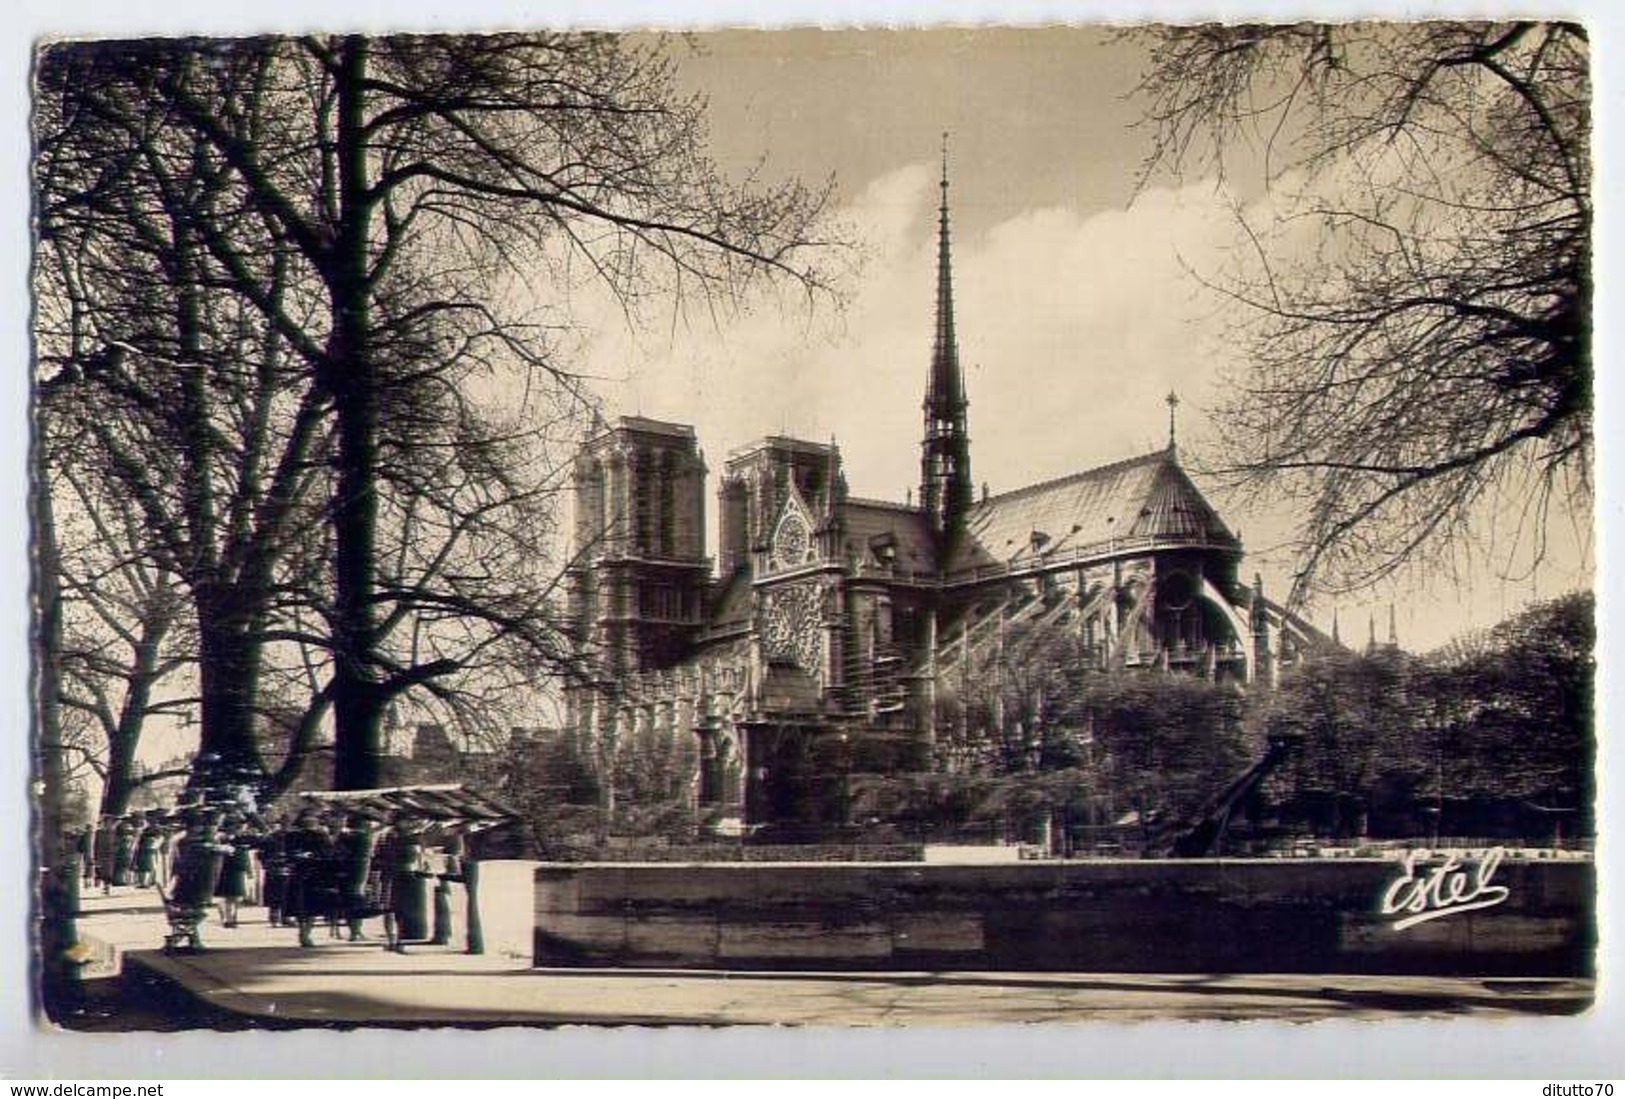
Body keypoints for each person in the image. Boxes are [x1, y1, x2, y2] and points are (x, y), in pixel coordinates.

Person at [283, 811, 337, 948]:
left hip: (315, 874)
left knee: (312, 907)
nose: (310, 822)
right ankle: (304, 933)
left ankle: (306, 933)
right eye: (307, 819)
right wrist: (298, 856)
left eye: (312, 819)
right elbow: (288, 853)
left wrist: (313, 856)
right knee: (301, 907)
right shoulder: (293, 836)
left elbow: (329, 854)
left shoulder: (321, 835)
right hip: (300, 874)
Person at [214, 815, 255, 928]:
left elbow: (244, 854)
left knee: (236, 896)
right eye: (232, 824)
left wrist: (248, 869)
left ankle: (233, 917)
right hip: (223, 869)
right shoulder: (219, 837)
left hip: (237, 869)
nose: (235, 827)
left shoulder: (240, 837)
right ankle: (226, 918)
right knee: (224, 896)